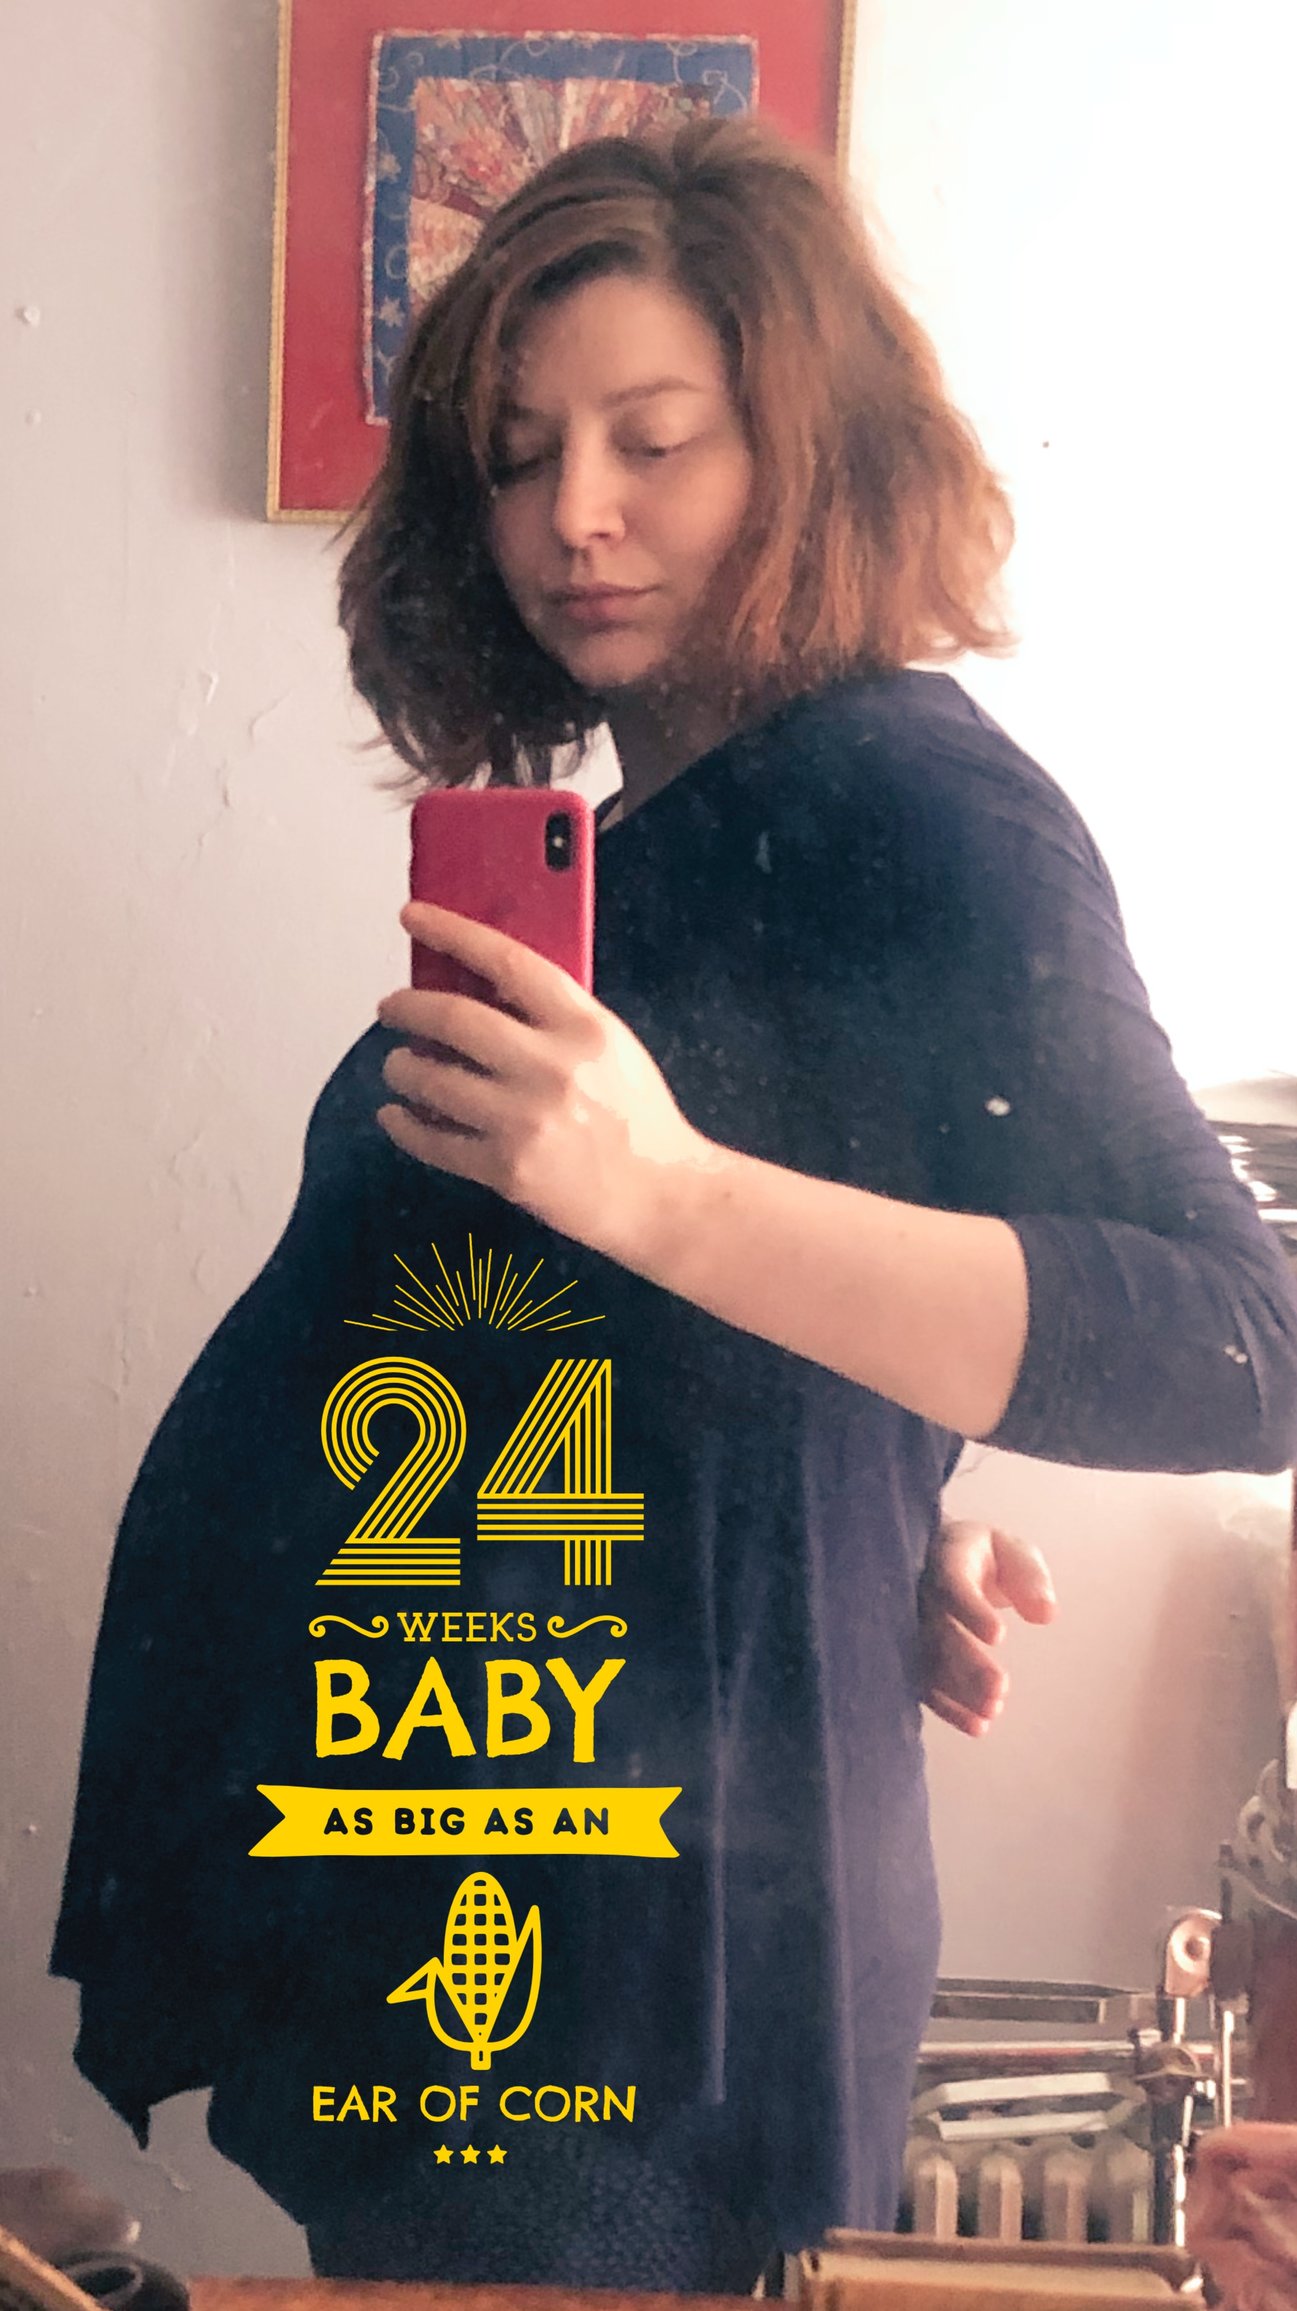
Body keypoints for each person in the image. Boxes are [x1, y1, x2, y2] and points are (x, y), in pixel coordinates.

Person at [53, 118, 1297, 2291]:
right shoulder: (672, 823)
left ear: (807, 450)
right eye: (519, 457)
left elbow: (1233, 1346)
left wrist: (662, 1190)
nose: (575, 516)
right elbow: (698, 1304)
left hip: (619, 1950)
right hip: (485, 1831)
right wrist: (856, 1491)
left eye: (654, 441)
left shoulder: (917, 804)